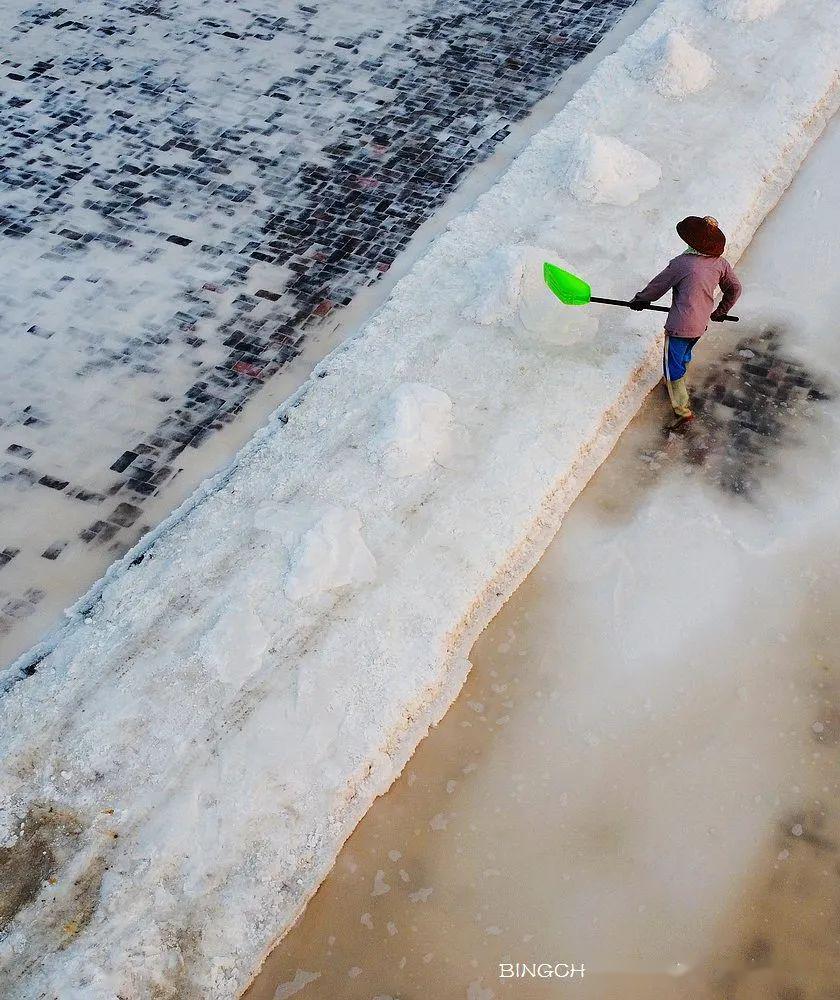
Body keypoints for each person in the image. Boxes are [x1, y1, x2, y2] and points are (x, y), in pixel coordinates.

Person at [631, 216, 742, 431]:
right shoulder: (720, 263)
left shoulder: (681, 264)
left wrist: (640, 299)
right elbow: (734, 288)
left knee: (671, 366)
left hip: (679, 326)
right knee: (683, 353)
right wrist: (720, 311)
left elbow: (657, 286)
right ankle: (676, 378)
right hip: (700, 325)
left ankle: (682, 411)